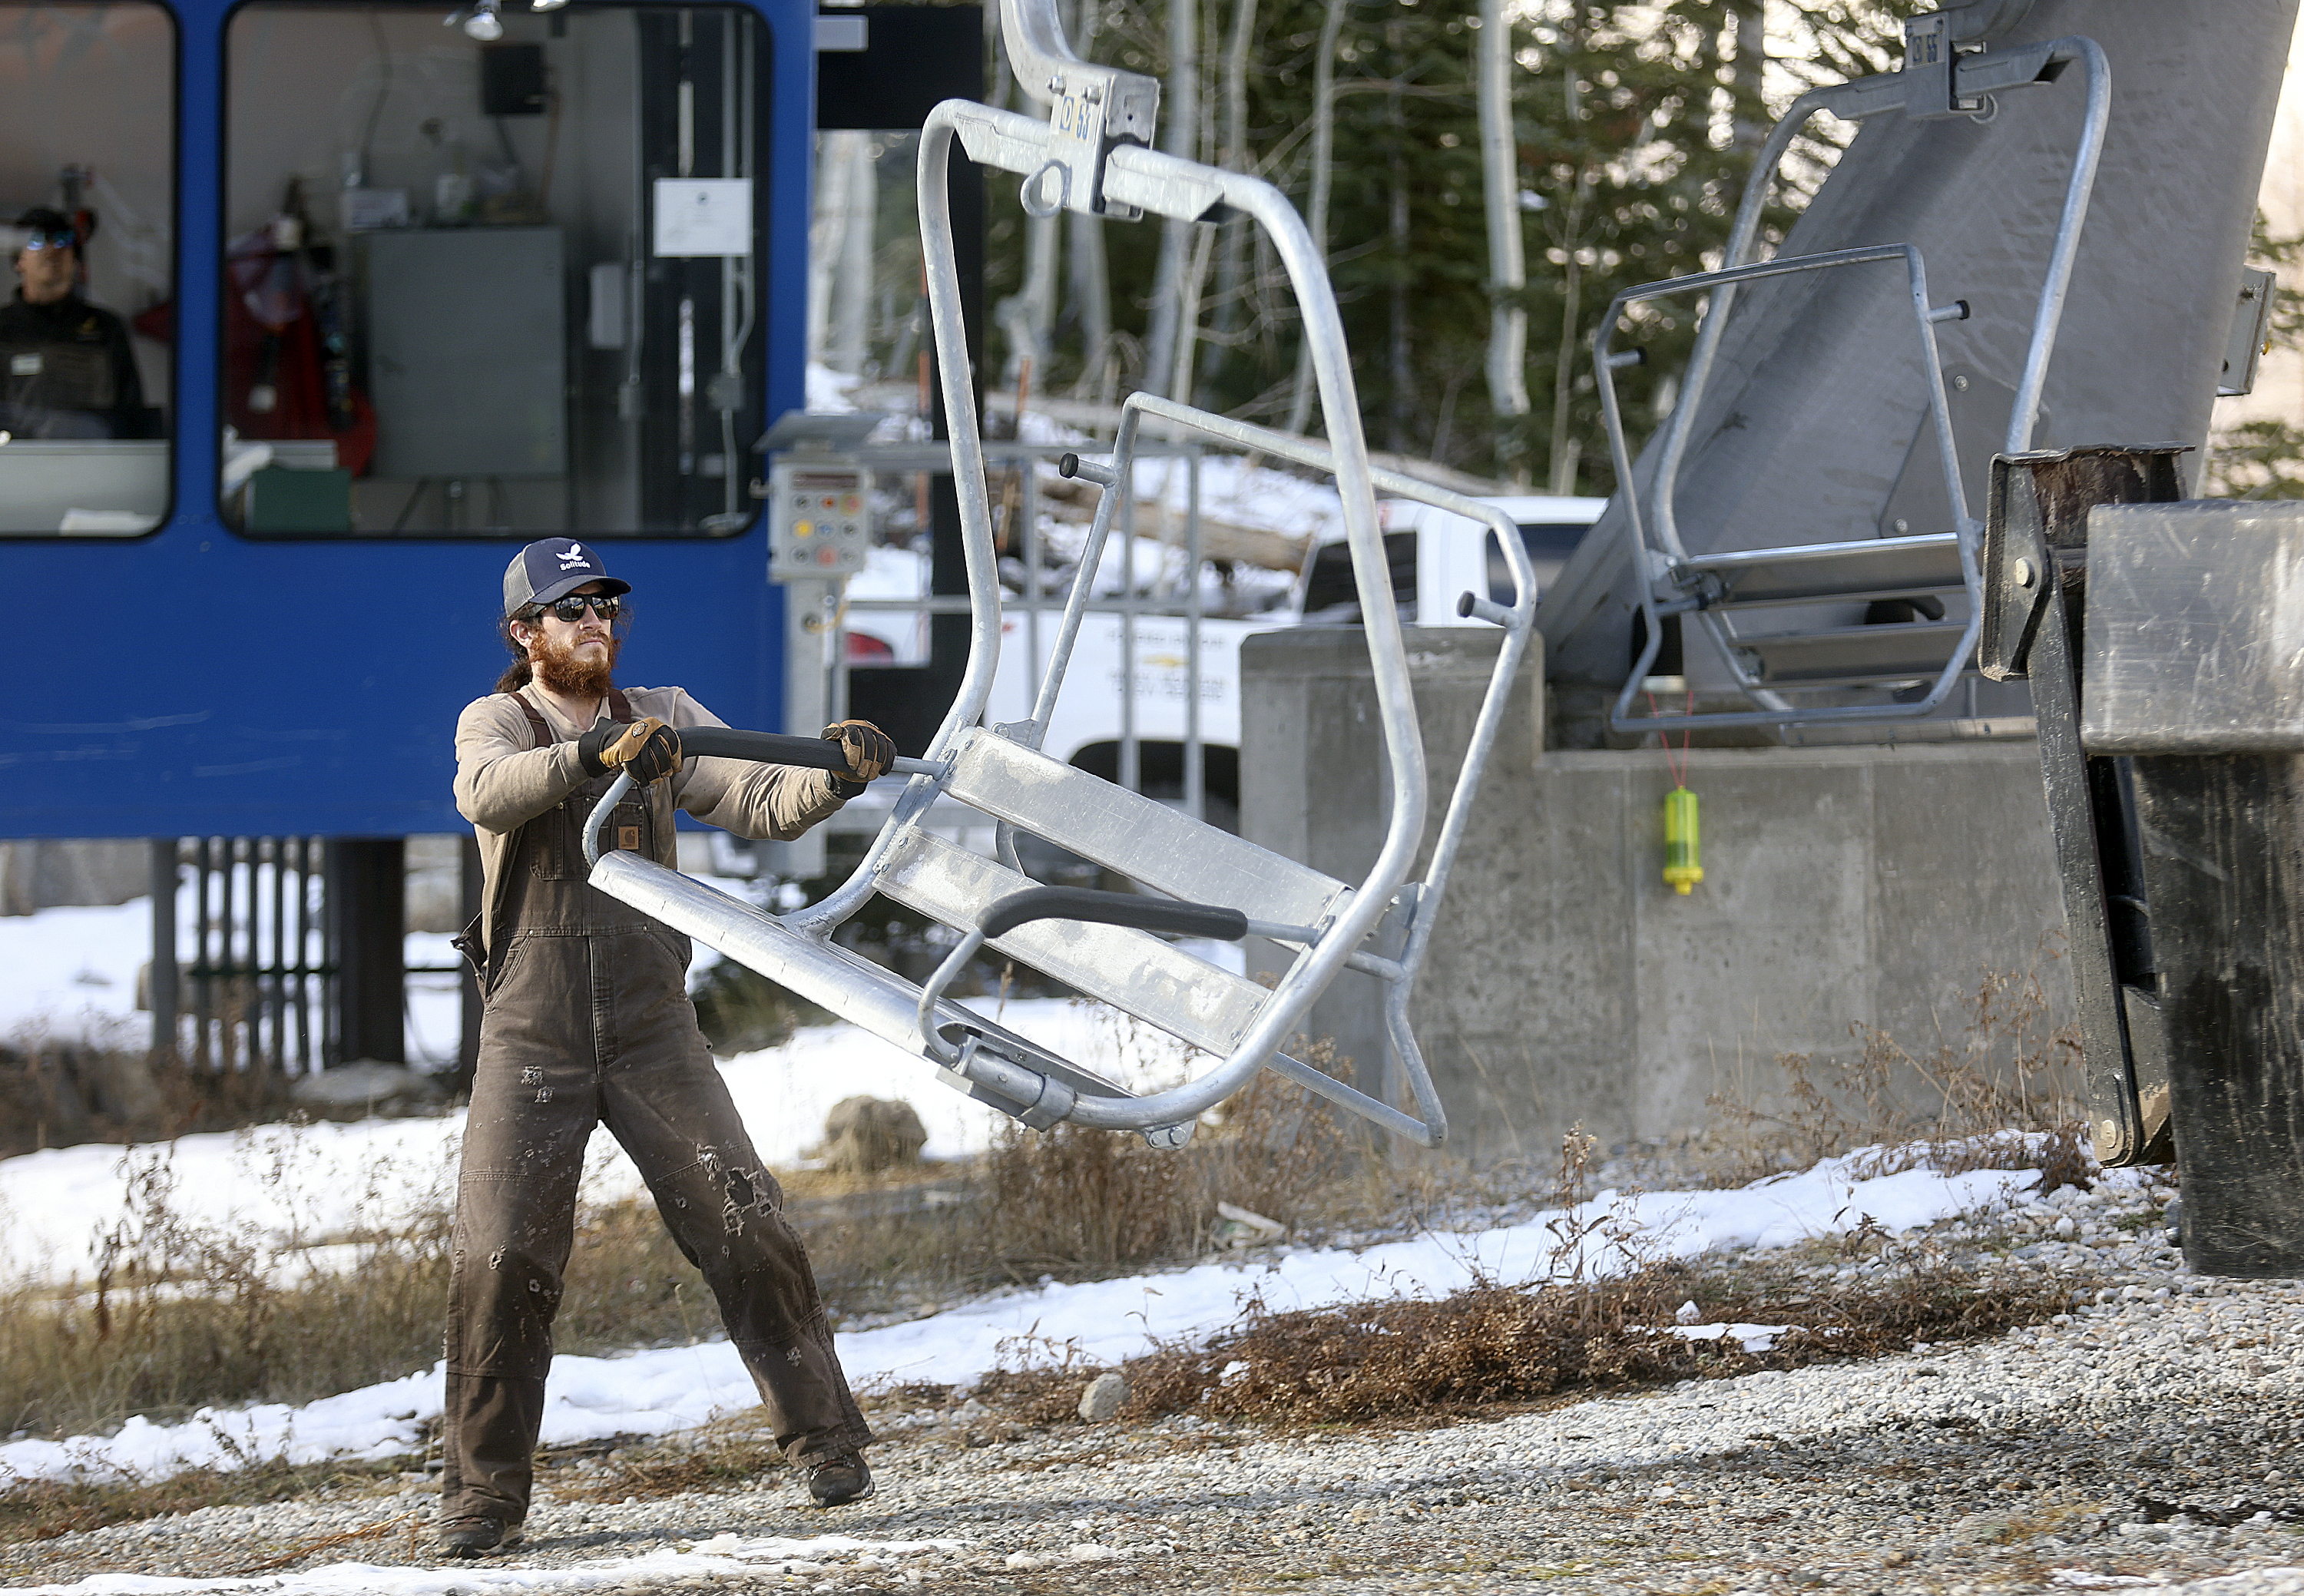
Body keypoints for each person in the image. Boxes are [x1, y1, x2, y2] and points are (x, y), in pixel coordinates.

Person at [443, 538, 896, 1558]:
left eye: (605, 605)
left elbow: (760, 800)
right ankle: (483, 1500)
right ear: (527, 634)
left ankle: (827, 1441)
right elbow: (488, 793)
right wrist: (592, 757)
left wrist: (838, 775)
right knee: (501, 1255)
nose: (594, 621)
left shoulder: (668, 711)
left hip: (653, 1028)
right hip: (532, 1034)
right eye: (570, 610)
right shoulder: (496, 721)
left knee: (746, 1221)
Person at [0, 207, 148, 439]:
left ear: (76, 260)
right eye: (37, 241)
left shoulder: (106, 328)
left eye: (62, 240)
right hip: (18, 467)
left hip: (93, 465)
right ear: (19, 261)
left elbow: (131, 415)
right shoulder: (3, 329)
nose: (52, 250)